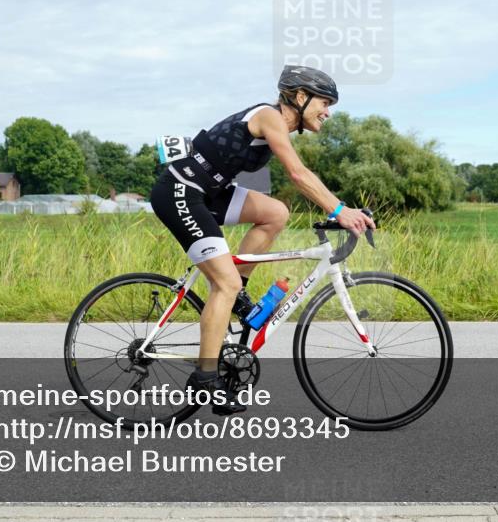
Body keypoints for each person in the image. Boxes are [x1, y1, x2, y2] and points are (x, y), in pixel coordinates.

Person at [149, 65, 376, 414]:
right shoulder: (269, 116)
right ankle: (205, 380)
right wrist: (340, 211)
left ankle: (237, 292)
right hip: (180, 191)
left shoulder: (277, 125)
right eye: (324, 103)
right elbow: (298, 173)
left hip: (210, 192)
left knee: (276, 213)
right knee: (221, 284)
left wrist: (341, 209)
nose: (328, 112)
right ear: (300, 97)